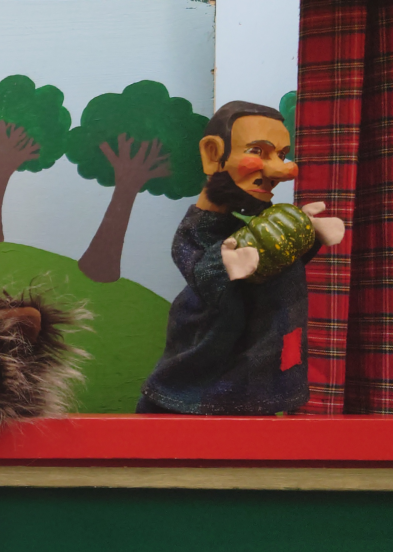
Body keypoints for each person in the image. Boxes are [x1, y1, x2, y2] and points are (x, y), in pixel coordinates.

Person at [137, 101, 344, 415]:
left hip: (265, 355)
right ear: (213, 154)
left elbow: (278, 254)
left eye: (282, 156)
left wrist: (306, 232)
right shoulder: (199, 230)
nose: (281, 170)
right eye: (258, 151)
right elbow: (197, 267)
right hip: (210, 368)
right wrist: (225, 264)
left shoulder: (258, 221)